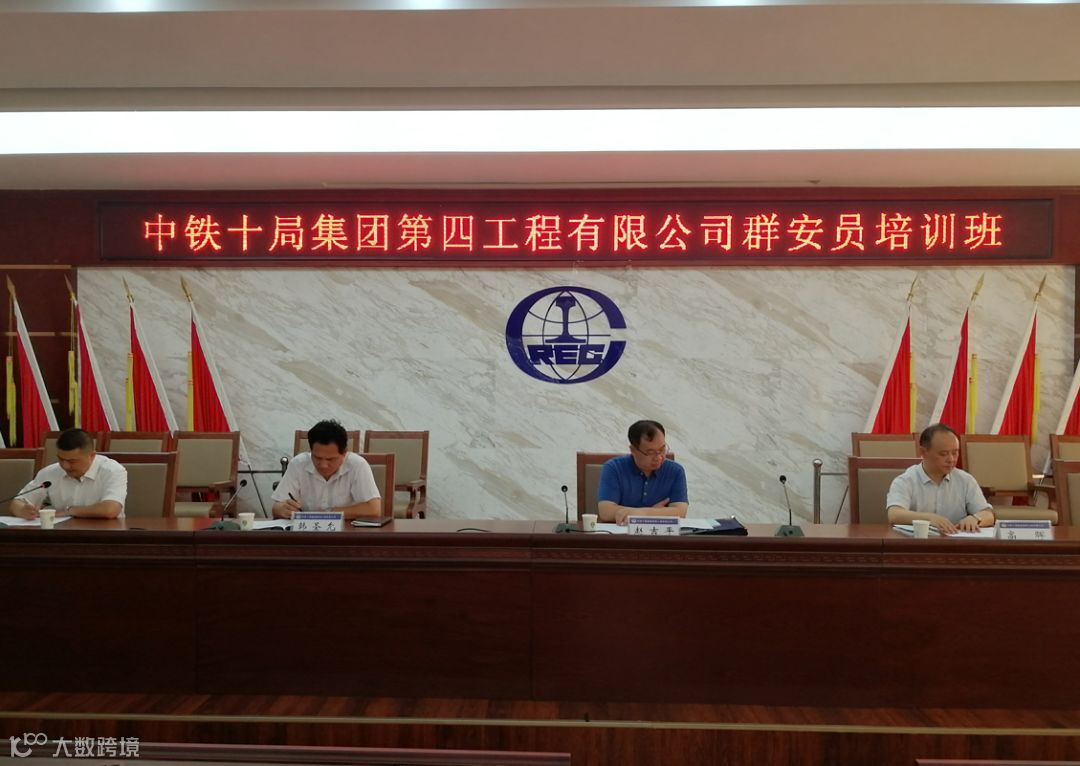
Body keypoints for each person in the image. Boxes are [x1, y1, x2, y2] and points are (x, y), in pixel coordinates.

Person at [886, 422, 994, 534]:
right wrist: (930, 518)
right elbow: (894, 514)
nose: (951, 459)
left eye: (955, 453)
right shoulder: (906, 480)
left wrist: (975, 518)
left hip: (956, 542)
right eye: (943, 454)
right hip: (918, 542)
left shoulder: (965, 480)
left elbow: (988, 514)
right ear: (923, 452)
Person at [271, 419, 381, 519]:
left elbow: (373, 509)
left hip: (347, 531)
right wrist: (281, 509)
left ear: (344, 453)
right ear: (311, 451)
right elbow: (276, 507)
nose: (323, 465)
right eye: (317, 458)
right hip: (306, 531)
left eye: (330, 459)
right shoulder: (298, 464)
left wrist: (327, 514)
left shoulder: (357, 465)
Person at [10, 428, 126, 520]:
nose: (65, 466)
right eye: (61, 459)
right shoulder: (50, 472)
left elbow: (110, 509)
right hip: (61, 535)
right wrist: (23, 510)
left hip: (103, 534)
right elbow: (17, 502)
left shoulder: (112, 471)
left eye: (72, 461)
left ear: (91, 456)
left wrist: (69, 511)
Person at [597, 419, 689, 525]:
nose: (659, 457)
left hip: (661, 534)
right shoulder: (614, 468)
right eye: (650, 452)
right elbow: (606, 511)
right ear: (633, 450)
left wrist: (641, 513)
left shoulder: (675, 471)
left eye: (662, 450)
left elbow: (680, 512)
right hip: (623, 533)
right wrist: (657, 512)